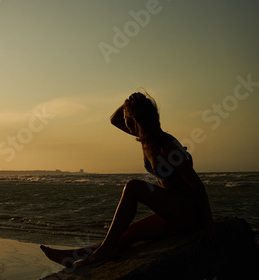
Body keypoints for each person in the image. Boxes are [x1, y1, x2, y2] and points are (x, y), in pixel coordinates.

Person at [41, 92, 215, 267]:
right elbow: (113, 119)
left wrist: (208, 228)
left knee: (133, 187)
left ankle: (103, 250)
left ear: (135, 121)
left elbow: (197, 185)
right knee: (127, 234)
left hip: (187, 213)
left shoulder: (166, 146)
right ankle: (73, 255)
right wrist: (129, 104)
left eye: (127, 118)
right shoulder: (146, 140)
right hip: (173, 211)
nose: (123, 122)